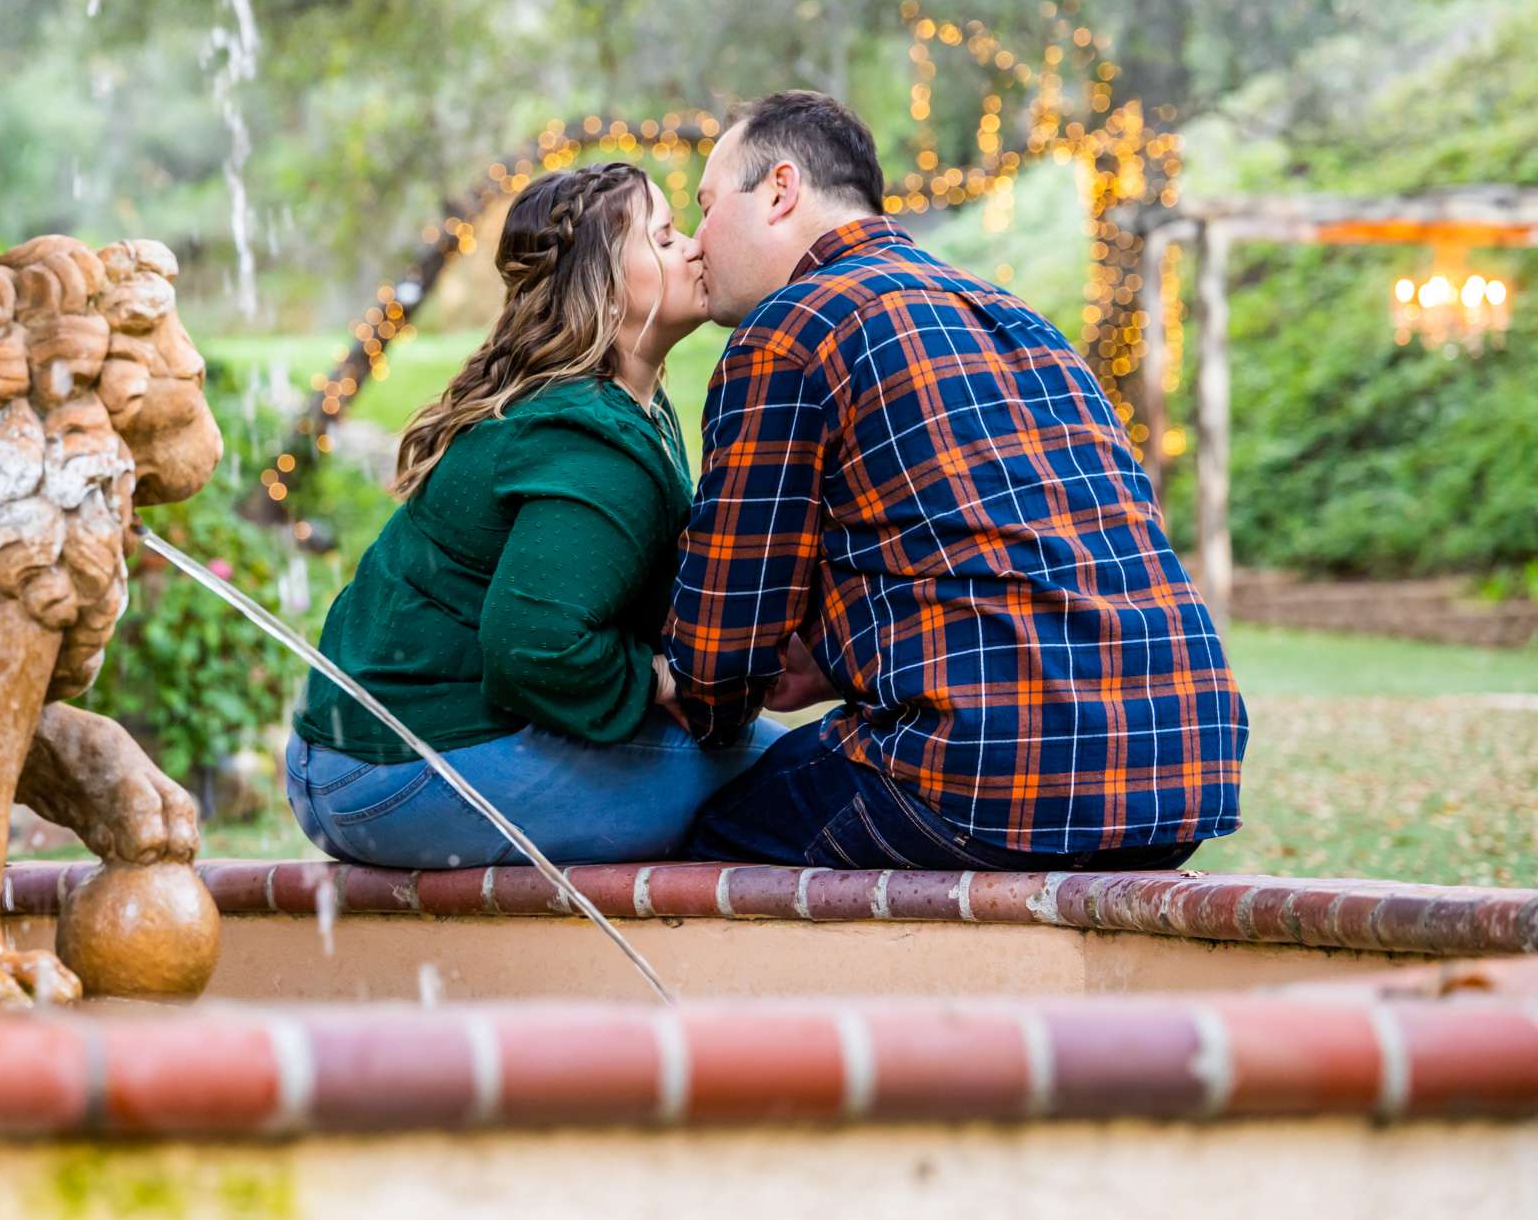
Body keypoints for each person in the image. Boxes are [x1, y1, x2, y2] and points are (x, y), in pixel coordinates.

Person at [663, 91, 1246, 871]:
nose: (697, 243)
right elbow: (998, 552)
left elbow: (716, 667)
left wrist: (688, 688)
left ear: (780, 190)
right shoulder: (1015, 316)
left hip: (992, 777)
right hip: (1182, 769)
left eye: (704, 207)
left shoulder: (790, 332)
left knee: (698, 849)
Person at [286, 161, 784, 869]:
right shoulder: (589, 443)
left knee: (767, 761)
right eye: (666, 237)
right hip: (385, 778)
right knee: (788, 776)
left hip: (346, 757)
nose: (695, 247)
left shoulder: (612, 408)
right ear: (605, 286)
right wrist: (662, 680)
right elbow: (535, 646)